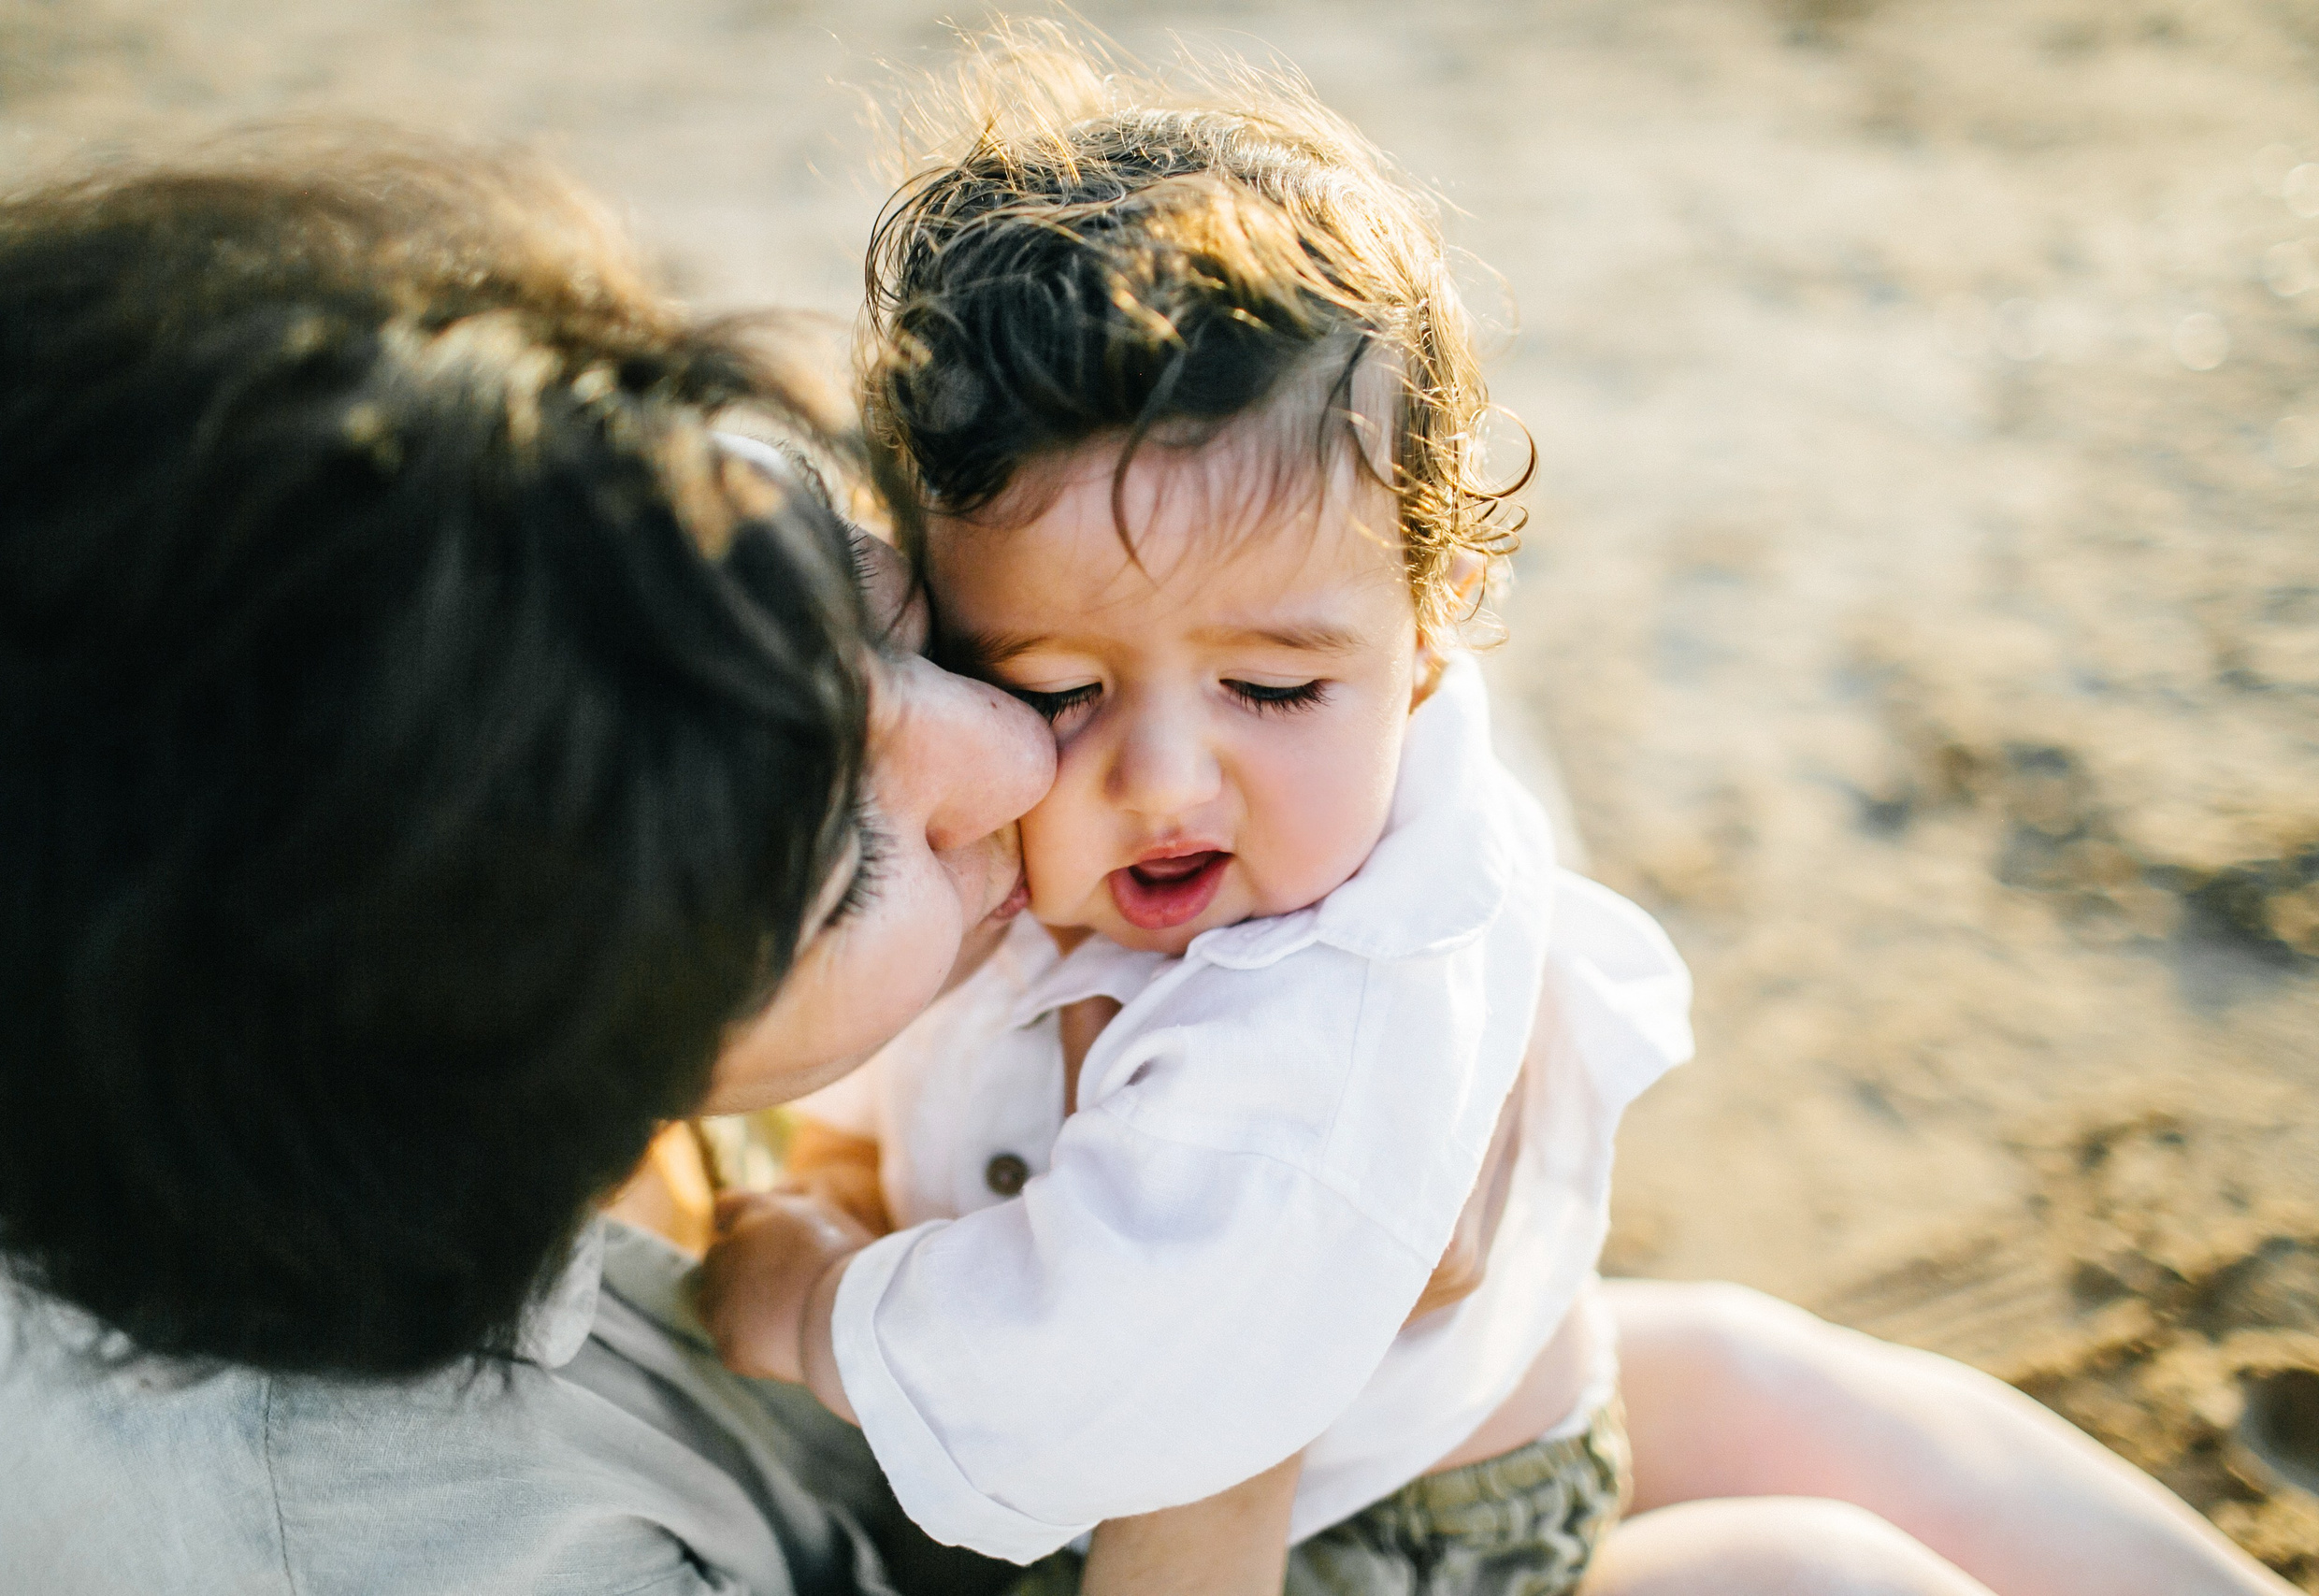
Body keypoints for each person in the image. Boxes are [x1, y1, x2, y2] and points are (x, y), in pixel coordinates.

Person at [0, 125, 2288, 1596]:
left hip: (1027, 1407)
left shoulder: (279, 1005)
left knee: (1758, 1381)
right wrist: (1233, 1380)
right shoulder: (368, 1555)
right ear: (522, 1057)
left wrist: (1380, 1038)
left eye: (886, 623)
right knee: (1797, 1570)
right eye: (849, 848)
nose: (997, 757)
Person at [697, 32, 2303, 1596]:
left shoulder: (1313, 1024)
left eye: (1270, 692)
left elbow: (1132, 1383)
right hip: (1427, 1412)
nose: (1169, 779)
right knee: (1762, 1401)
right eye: (1059, 688)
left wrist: (808, 1299)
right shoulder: (1289, 670)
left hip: (1369, 1540)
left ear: (1435, 630)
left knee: (1806, 1550)